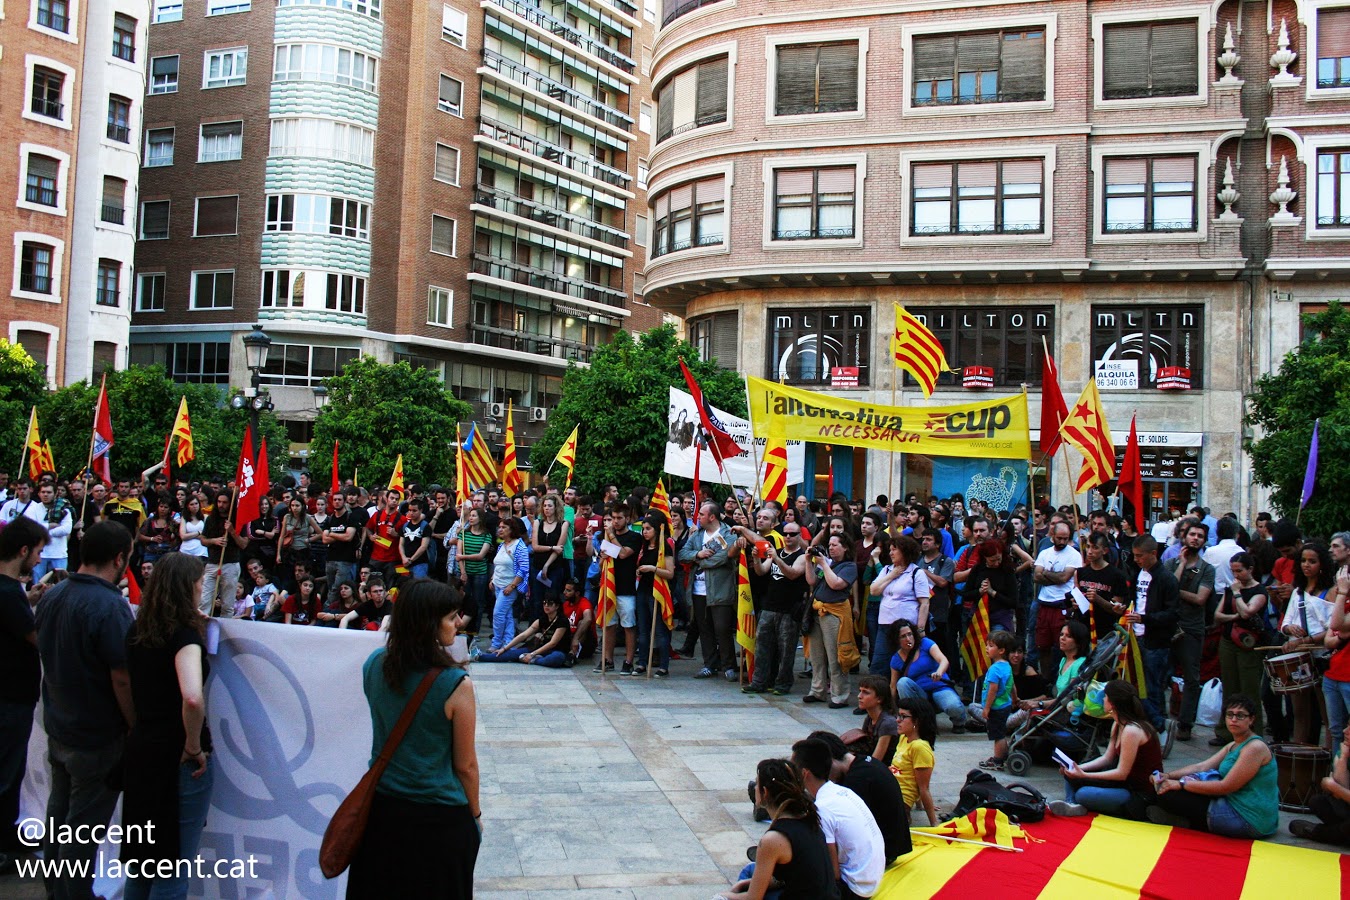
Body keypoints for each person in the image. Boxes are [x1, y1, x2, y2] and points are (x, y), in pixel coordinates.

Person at [348, 579, 480, 897]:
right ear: (428, 623)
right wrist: (475, 815)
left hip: (381, 811)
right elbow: (465, 766)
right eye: (451, 617)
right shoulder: (455, 684)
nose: (458, 623)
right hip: (439, 817)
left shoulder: (374, 665)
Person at [34, 521, 136, 900]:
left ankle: (57, 890)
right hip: (96, 738)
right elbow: (122, 677)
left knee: (59, 820)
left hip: (61, 728)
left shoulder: (53, 595)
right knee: (80, 831)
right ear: (119, 558)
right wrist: (135, 725)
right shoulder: (109, 606)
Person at [121, 553, 214, 900]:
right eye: (200, 583)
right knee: (172, 870)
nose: (203, 588)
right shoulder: (183, 636)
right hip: (177, 758)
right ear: (187, 587)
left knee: (141, 865)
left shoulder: (138, 629)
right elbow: (192, 697)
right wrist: (193, 745)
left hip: (143, 749)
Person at [1150, 695, 1279, 838]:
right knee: (1165, 789)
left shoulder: (1255, 747)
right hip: (1232, 804)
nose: (1234, 719)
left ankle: (1188, 823)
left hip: (1248, 819)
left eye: (1240, 716)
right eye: (1230, 715)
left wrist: (1181, 784)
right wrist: (1169, 776)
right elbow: (1202, 766)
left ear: (1251, 719)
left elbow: (1226, 786)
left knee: (1170, 795)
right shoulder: (1234, 744)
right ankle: (1185, 821)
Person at [0, 518, 47, 870]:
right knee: (5, 772)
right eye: (38, 551)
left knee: (11, 771)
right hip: (10, 697)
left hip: (13, 696)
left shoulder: (10, 591)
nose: (40, 558)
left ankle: (6, 832)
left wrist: (28, 599)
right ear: (23, 550)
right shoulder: (6, 592)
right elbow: (35, 637)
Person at [723, 758, 837, 900]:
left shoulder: (773, 839)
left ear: (765, 792)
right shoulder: (809, 817)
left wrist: (723, 896)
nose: (755, 788)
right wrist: (746, 884)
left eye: (757, 784)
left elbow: (753, 898)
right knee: (749, 872)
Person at [1051, 680, 1162, 820]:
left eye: (1105, 696)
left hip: (1137, 791)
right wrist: (1076, 768)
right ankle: (1071, 803)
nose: (1102, 699)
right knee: (1071, 774)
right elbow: (1107, 758)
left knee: (1083, 794)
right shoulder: (1117, 724)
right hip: (1122, 783)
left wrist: (1084, 775)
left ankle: (1074, 801)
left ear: (1112, 704)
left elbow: (1121, 773)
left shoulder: (1132, 731)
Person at [791, 738, 885, 899]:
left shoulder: (822, 809)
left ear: (804, 773)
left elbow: (832, 873)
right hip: (872, 878)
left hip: (855, 889)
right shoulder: (844, 792)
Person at [804, 731, 910, 862]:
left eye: (824, 770)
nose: (826, 777)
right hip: (892, 844)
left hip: (883, 852)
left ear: (830, 760)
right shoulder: (864, 762)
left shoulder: (857, 781)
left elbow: (843, 827)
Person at [744, 521, 808, 695]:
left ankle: (783, 684)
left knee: (786, 650)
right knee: (762, 647)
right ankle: (759, 682)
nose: (788, 537)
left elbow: (793, 574)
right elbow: (761, 571)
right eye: (785, 533)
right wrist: (756, 558)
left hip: (789, 609)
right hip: (769, 606)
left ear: (799, 536)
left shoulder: (802, 556)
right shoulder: (776, 552)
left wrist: (777, 559)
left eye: (792, 534)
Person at [1125, 536, 1181, 733]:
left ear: (1153, 554)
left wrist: (1144, 619)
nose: (1136, 560)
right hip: (1135, 636)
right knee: (1137, 686)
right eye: (1135, 556)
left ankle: (1160, 726)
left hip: (1155, 641)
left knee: (1152, 687)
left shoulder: (1166, 579)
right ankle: (1155, 725)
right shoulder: (1137, 574)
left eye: (1140, 556)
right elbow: (1134, 601)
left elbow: (1172, 613)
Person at [1281, 540, 1334, 745]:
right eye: (1303, 560)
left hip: (1322, 657)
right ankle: (1299, 755)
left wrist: (1307, 640)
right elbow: (1286, 622)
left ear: (1322, 564)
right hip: (1299, 657)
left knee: (1327, 714)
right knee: (1299, 712)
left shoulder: (1331, 592)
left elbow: (1332, 628)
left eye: (1312, 561)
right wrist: (1289, 629)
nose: (1306, 565)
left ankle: (1329, 755)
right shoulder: (1297, 591)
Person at [1212, 553, 1268, 746]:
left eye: (1239, 571)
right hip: (1228, 641)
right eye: (1233, 571)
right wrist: (1234, 617)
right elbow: (1218, 615)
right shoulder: (1231, 588)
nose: (1236, 575)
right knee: (1229, 687)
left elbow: (1247, 612)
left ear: (1250, 569)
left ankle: (1253, 733)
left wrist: (1237, 594)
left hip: (1248, 645)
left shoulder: (1259, 591)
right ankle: (1226, 731)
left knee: (1249, 689)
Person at [679, 502, 737, 680]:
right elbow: (682, 554)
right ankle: (709, 664)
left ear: (712, 517)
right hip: (698, 591)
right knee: (705, 629)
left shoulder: (728, 534)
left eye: (702, 514)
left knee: (722, 628)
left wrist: (700, 562)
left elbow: (724, 557)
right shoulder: (697, 535)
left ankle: (729, 666)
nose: (698, 517)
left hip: (721, 590)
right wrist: (697, 554)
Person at [1171, 522, 1215, 743]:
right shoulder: (1171, 563)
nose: (1195, 538)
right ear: (1184, 537)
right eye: (1192, 534)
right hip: (1169, 625)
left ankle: (1185, 723)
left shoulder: (1207, 569)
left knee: (1191, 676)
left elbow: (1200, 598)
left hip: (1191, 627)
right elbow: (1169, 587)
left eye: (1200, 535)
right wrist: (1181, 564)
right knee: (1159, 673)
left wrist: (1176, 592)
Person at [804, 534, 859, 709]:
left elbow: (836, 584)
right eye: (830, 545)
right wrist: (808, 561)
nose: (831, 548)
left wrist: (824, 564)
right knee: (817, 656)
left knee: (836, 657)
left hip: (835, 614)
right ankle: (817, 690)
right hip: (817, 612)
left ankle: (839, 695)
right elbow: (811, 581)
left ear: (845, 547)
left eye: (835, 545)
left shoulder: (849, 566)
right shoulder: (827, 563)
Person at [890, 619, 967, 733]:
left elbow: (943, 660)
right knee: (902, 682)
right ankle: (919, 720)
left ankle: (959, 722)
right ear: (896, 640)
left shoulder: (925, 643)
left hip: (939, 687)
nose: (908, 639)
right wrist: (892, 709)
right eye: (903, 636)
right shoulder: (896, 659)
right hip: (919, 694)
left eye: (910, 634)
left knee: (953, 706)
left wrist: (939, 672)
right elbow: (893, 686)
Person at [867, 535, 930, 676]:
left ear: (905, 551)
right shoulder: (887, 570)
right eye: (890, 550)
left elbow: (924, 603)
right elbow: (874, 590)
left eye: (894, 549)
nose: (891, 553)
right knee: (878, 664)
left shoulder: (916, 572)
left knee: (905, 665)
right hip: (885, 625)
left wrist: (920, 629)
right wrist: (892, 575)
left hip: (906, 627)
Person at [1032, 522, 1082, 672]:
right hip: (1044, 603)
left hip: (1062, 604)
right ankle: (1046, 678)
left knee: (1062, 646)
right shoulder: (1045, 553)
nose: (1062, 542)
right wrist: (1054, 577)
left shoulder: (1074, 554)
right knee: (1042, 645)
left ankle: (1061, 676)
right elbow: (1036, 576)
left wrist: (1046, 573)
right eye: (1059, 538)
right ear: (1052, 536)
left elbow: (1064, 578)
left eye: (1066, 538)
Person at [1290, 722, 1350, 845]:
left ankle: (1318, 832)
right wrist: (1343, 758)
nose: (1345, 731)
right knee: (1317, 801)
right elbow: (1338, 793)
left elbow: (1334, 787)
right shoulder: (1345, 750)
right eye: (1347, 725)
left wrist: (1333, 786)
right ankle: (1340, 834)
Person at [478, 596, 571, 667]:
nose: (546, 605)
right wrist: (505, 648)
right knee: (509, 653)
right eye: (544, 603)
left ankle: (534, 660)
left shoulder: (562, 621)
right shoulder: (542, 619)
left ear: (557, 606)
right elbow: (523, 635)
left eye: (550, 603)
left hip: (557, 651)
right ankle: (478, 656)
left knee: (556, 658)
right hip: (539, 648)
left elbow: (553, 643)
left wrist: (532, 654)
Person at [635, 513, 676, 676]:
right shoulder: (644, 547)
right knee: (643, 629)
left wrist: (652, 569)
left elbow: (670, 573)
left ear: (657, 530)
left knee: (659, 629)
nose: (645, 532)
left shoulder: (664, 547)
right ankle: (642, 662)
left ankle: (663, 666)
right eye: (643, 529)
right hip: (643, 590)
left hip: (657, 592)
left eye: (648, 529)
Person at [891, 695, 939, 825]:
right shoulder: (903, 738)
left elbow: (923, 787)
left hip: (898, 799)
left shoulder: (920, 747)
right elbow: (908, 773)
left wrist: (934, 823)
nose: (897, 720)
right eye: (898, 715)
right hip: (890, 788)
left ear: (917, 721)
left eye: (903, 716)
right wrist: (918, 805)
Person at [488, 517, 530, 654]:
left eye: (504, 527)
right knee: (507, 615)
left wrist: (512, 586)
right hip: (498, 584)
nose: (500, 530)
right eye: (499, 527)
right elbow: (498, 564)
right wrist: (492, 579)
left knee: (498, 613)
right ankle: (508, 643)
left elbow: (524, 568)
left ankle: (497, 642)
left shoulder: (519, 546)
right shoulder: (502, 545)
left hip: (509, 587)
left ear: (512, 530)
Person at [979, 631, 1019, 771]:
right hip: (1005, 705)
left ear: (1001, 650)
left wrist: (987, 708)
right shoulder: (1007, 666)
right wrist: (1015, 698)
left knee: (998, 735)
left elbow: (993, 689)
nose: (987, 648)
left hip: (996, 707)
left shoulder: (995, 669)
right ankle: (1002, 754)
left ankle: (997, 760)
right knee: (1000, 731)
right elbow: (1012, 684)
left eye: (990, 646)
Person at [960, 539, 1018, 634]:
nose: (996, 563)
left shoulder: (1007, 570)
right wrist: (980, 591)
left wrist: (992, 592)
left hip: (1000, 617)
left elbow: (1013, 602)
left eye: (999, 559)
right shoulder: (978, 569)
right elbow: (966, 594)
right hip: (978, 617)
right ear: (985, 557)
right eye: (992, 560)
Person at [854, 675, 899, 766]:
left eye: (866, 693)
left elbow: (876, 760)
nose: (859, 696)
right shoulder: (870, 717)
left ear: (879, 699)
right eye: (860, 691)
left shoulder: (888, 723)